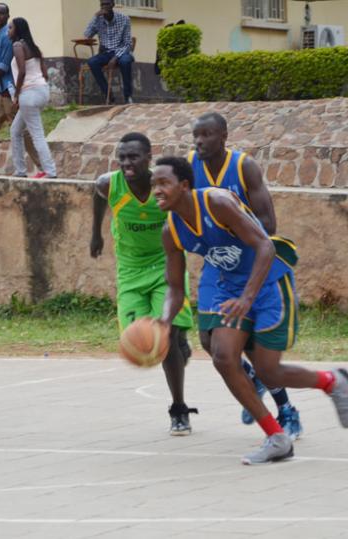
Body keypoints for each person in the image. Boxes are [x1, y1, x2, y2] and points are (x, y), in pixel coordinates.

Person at [152, 156, 348, 465]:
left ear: (184, 185)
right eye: (154, 184)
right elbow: (175, 288)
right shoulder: (171, 231)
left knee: (269, 371)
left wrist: (247, 299)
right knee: (222, 356)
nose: (157, 190)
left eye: (163, 183)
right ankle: (276, 437)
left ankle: (332, 381)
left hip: (268, 281)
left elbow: (265, 246)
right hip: (229, 287)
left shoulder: (217, 203)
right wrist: (164, 321)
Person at [188, 112, 302, 440]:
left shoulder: (244, 168)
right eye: (196, 135)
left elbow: (269, 224)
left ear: (223, 136)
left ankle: (287, 411)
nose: (199, 141)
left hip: (251, 265)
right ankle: (251, 379)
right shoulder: (190, 168)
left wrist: (232, 226)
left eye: (207, 134)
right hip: (217, 264)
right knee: (210, 341)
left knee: (248, 343)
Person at [90, 133, 196, 435]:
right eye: (122, 157)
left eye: (133, 157)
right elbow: (97, 199)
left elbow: (189, 209)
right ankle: (177, 345)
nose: (126, 163)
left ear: (149, 156)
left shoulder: (163, 186)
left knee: (168, 335)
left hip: (166, 264)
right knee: (138, 339)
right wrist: (95, 233)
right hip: (131, 269)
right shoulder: (108, 184)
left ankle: (179, 408)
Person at [0, 3, 41, 177]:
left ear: (7, 15)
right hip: (2, 91)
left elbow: (3, 68)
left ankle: (43, 166)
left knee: (23, 131)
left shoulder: (7, 36)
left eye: (2, 13)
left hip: (10, 91)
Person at [8, 17, 57, 179]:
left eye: (10, 28)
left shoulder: (17, 45)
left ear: (17, 30)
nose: (8, 31)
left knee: (37, 135)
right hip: (42, 91)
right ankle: (20, 171)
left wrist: (17, 94)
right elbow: (44, 73)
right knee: (15, 130)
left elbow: (21, 71)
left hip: (28, 94)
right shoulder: (35, 48)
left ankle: (51, 172)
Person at [83, 0, 135, 104]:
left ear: (113, 5)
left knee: (125, 62)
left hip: (122, 51)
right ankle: (108, 95)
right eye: (102, 4)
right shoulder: (98, 20)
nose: (104, 7)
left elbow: (128, 44)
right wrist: (95, 17)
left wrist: (115, 57)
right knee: (92, 62)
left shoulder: (124, 19)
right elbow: (87, 35)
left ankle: (127, 96)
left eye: (107, 4)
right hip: (106, 53)